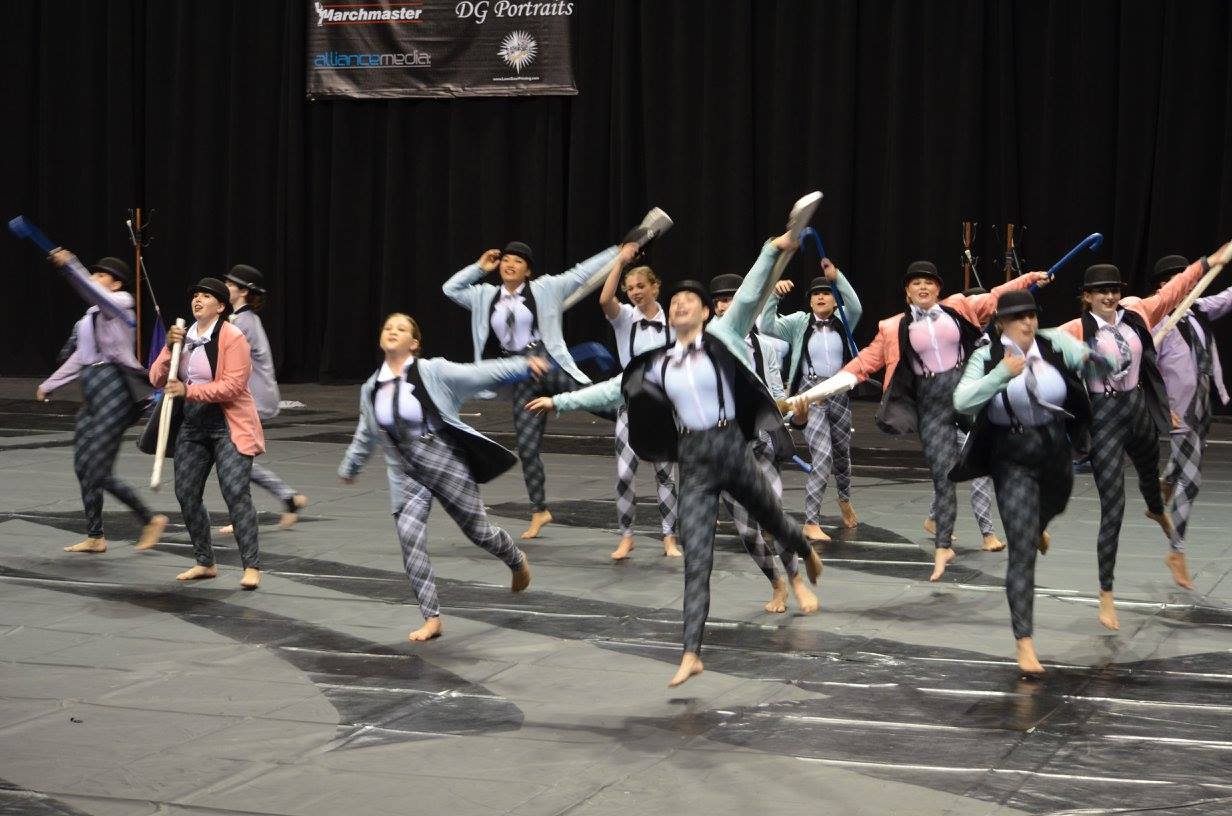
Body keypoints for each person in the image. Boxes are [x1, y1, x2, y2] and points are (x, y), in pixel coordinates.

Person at [528, 231, 823, 687]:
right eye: (677, 300)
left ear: (705, 312)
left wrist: (772, 248)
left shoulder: (722, 336)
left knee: (772, 517)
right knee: (697, 559)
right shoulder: (657, 362)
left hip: (732, 447)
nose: (682, 304)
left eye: (691, 300)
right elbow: (613, 390)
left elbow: (749, 293)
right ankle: (691, 652)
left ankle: (805, 554)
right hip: (695, 460)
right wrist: (559, 402)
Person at [788, 262, 1048, 582]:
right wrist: (808, 396)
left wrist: (1030, 278)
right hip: (931, 405)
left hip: (967, 394)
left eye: (928, 282)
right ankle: (943, 546)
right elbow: (859, 367)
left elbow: (997, 296)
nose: (923, 287)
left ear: (938, 288)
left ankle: (1032, 522)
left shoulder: (959, 307)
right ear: (907, 292)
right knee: (945, 475)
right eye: (916, 283)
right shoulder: (893, 328)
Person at [1058, 244, 1229, 629]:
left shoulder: (1138, 314)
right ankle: (1106, 593)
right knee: (1113, 509)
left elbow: (1177, 288)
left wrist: (1209, 261)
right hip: (1104, 418)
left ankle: (1156, 508)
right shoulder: (1076, 329)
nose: (1109, 296)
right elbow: (1038, 347)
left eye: (1114, 289)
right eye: (1100, 291)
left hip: (1138, 411)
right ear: (1087, 297)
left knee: (1151, 479)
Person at [338, 313, 537, 642]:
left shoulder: (432, 371)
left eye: (401, 328)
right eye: (388, 327)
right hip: (406, 471)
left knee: (479, 532)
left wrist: (523, 365)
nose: (392, 331)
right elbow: (366, 431)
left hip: (443, 458)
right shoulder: (371, 387)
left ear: (414, 343)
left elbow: (479, 373)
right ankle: (431, 618)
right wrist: (351, 465)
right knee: (410, 539)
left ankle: (515, 559)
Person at [952, 290, 1110, 674]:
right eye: (1018, 317)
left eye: (1031, 315)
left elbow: (1096, 366)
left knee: (1058, 501)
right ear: (1001, 324)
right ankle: (1024, 641)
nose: (1027, 322)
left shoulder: (1053, 342)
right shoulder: (986, 356)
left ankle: (1037, 524)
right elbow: (962, 401)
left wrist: (1093, 361)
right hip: (1012, 454)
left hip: (1055, 447)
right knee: (1022, 551)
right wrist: (1001, 375)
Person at [443, 239, 639, 539]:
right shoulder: (484, 296)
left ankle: (646, 419)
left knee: (597, 404)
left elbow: (581, 273)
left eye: (518, 261)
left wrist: (617, 254)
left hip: (547, 364)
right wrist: (479, 268)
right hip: (519, 374)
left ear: (528, 271)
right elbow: (450, 289)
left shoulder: (545, 289)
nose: (510, 264)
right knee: (527, 446)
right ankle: (539, 510)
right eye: (506, 260)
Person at [37, 250, 167, 554]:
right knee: (83, 465)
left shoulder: (120, 303)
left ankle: (150, 519)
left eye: (100, 275)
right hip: (92, 389)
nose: (94, 279)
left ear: (116, 283)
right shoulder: (87, 318)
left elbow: (92, 292)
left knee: (98, 469)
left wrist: (72, 267)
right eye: (92, 274)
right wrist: (50, 384)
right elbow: (80, 358)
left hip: (115, 389)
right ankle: (95, 535)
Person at [711, 272, 817, 614]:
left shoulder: (766, 348)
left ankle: (797, 580)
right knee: (747, 531)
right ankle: (776, 583)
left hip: (762, 443)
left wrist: (797, 418)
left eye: (732, 299)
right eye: (720, 301)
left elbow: (774, 399)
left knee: (773, 515)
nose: (726, 306)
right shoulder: (705, 346)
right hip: (725, 447)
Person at [150, 278, 264, 589]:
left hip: (228, 424)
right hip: (193, 424)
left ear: (221, 306)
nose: (197, 300)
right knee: (186, 493)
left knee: (235, 492)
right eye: (196, 296)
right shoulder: (184, 336)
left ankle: (251, 566)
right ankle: (205, 562)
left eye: (206, 296)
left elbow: (233, 386)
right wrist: (168, 347)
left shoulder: (232, 336)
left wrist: (189, 391)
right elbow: (156, 377)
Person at [759, 258, 862, 540]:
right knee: (823, 455)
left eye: (826, 293)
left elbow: (856, 306)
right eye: (815, 294)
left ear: (834, 299)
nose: (820, 297)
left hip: (839, 393)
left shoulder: (843, 320)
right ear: (809, 301)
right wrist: (774, 295)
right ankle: (811, 521)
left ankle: (844, 498)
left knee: (842, 454)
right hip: (811, 395)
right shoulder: (799, 322)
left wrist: (837, 278)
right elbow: (767, 325)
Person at [1152, 254, 1232, 580]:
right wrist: (1162, 410)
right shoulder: (1158, 322)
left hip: (1203, 401)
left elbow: (1227, 298)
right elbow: (1146, 373)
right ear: (1164, 286)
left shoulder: (1197, 308)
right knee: (1193, 477)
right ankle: (1176, 550)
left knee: (1186, 463)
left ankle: (1165, 483)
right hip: (1180, 409)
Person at [597, 254, 679, 559]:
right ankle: (626, 536)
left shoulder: (673, 322)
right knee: (624, 474)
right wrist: (619, 262)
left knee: (665, 475)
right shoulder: (625, 319)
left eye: (640, 286)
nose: (635, 292)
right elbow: (605, 299)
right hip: (630, 407)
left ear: (655, 287)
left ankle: (669, 537)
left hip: (662, 409)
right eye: (630, 288)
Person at [218, 264, 308, 534]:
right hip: (250, 397)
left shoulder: (243, 322)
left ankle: (244, 513)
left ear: (243, 291)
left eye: (230, 284)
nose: (225, 287)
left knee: (232, 457)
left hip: (253, 399)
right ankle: (288, 497)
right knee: (233, 457)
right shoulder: (240, 319)